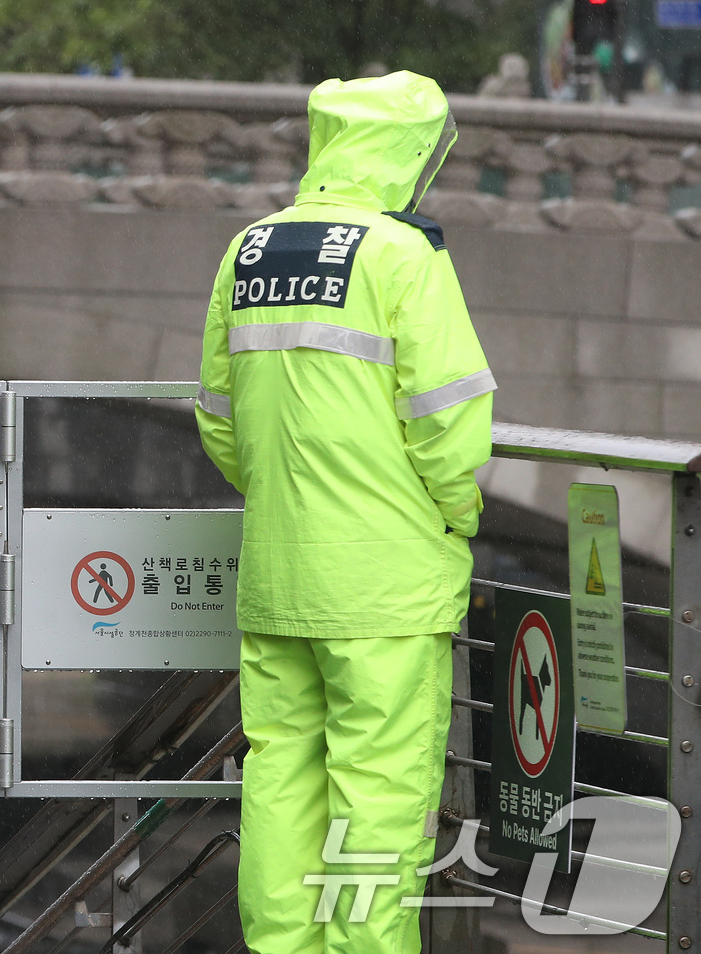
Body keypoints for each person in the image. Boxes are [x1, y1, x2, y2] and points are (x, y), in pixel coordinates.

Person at [195, 71, 495, 954]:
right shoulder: (404, 256)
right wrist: (454, 516)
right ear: (410, 152)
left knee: (281, 781)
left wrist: (288, 496)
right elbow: (449, 420)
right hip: (384, 585)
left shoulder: (247, 249)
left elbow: (219, 417)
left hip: (280, 571)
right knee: (381, 800)